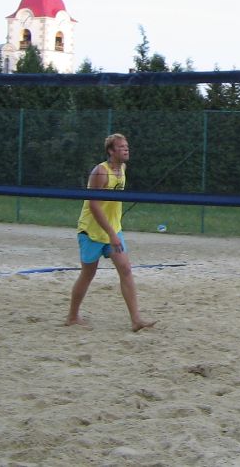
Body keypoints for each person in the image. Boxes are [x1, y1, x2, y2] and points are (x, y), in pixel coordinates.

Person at [66, 133, 156, 332]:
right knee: (88, 274)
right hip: (91, 232)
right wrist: (111, 234)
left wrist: (114, 232)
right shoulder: (100, 172)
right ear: (110, 151)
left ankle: (136, 320)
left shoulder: (122, 169)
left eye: (127, 146)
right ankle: (72, 316)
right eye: (121, 147)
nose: (126, 149)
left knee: (126, 270)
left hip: (113, 230)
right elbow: (94, 206)